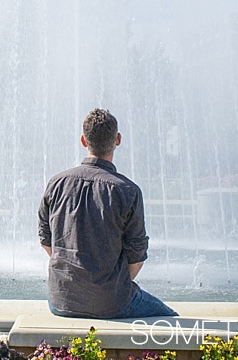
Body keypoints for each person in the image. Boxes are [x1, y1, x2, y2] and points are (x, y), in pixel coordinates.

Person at [38, 108, 177, 319]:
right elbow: (137, 254)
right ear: (118, 139)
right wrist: (110, 286)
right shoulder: (128, 191)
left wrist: (76, 273)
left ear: (83, 141)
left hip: (60, 300)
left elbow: (45, 239)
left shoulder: (56, 183)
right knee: (170, 319)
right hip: (111, 303)